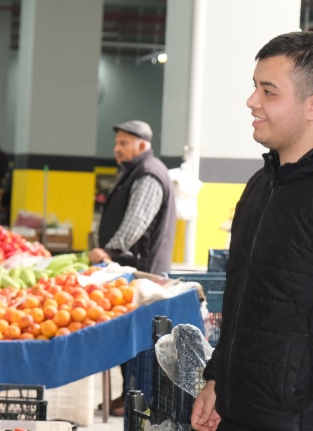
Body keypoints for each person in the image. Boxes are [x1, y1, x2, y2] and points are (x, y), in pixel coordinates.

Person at [192, 31, 313, 431]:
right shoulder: (261, 185)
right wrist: (217, 378)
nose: (251, 101)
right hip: (240, 408)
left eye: (269, 91)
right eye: (254, 87)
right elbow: (242, 293)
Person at [89, 120, 176, 417]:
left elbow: (137, 221)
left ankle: (139, 399)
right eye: (116, 144)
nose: (117, 149)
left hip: (143, 273)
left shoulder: (149, 174)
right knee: (130, 340)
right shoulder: (135, 172)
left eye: (124, 143)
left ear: (142, 144)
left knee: (140, 343)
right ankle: (129, 394)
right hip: (131, 272)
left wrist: (109, 250)